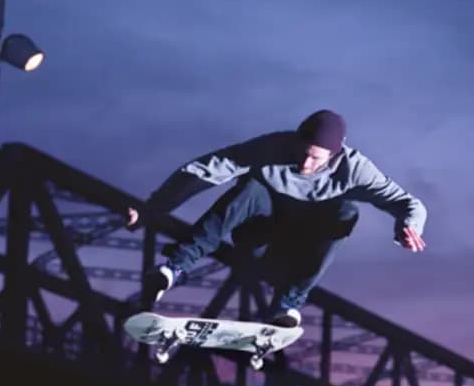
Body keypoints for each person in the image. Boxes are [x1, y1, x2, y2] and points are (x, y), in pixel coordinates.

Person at [126, 109, 427, 327]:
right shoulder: (271, 147)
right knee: (250, 189)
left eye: (316, 159)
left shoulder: (356, 169)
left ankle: (287, 305)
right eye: (303, 153)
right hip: (257, 237)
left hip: (296, 251)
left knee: (346, 211)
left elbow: (408, 203)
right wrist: (150, 209)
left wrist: (407, 225)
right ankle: (174, 269)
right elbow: (202, 171)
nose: (305, 164)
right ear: (296, 141)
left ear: (335, 156)